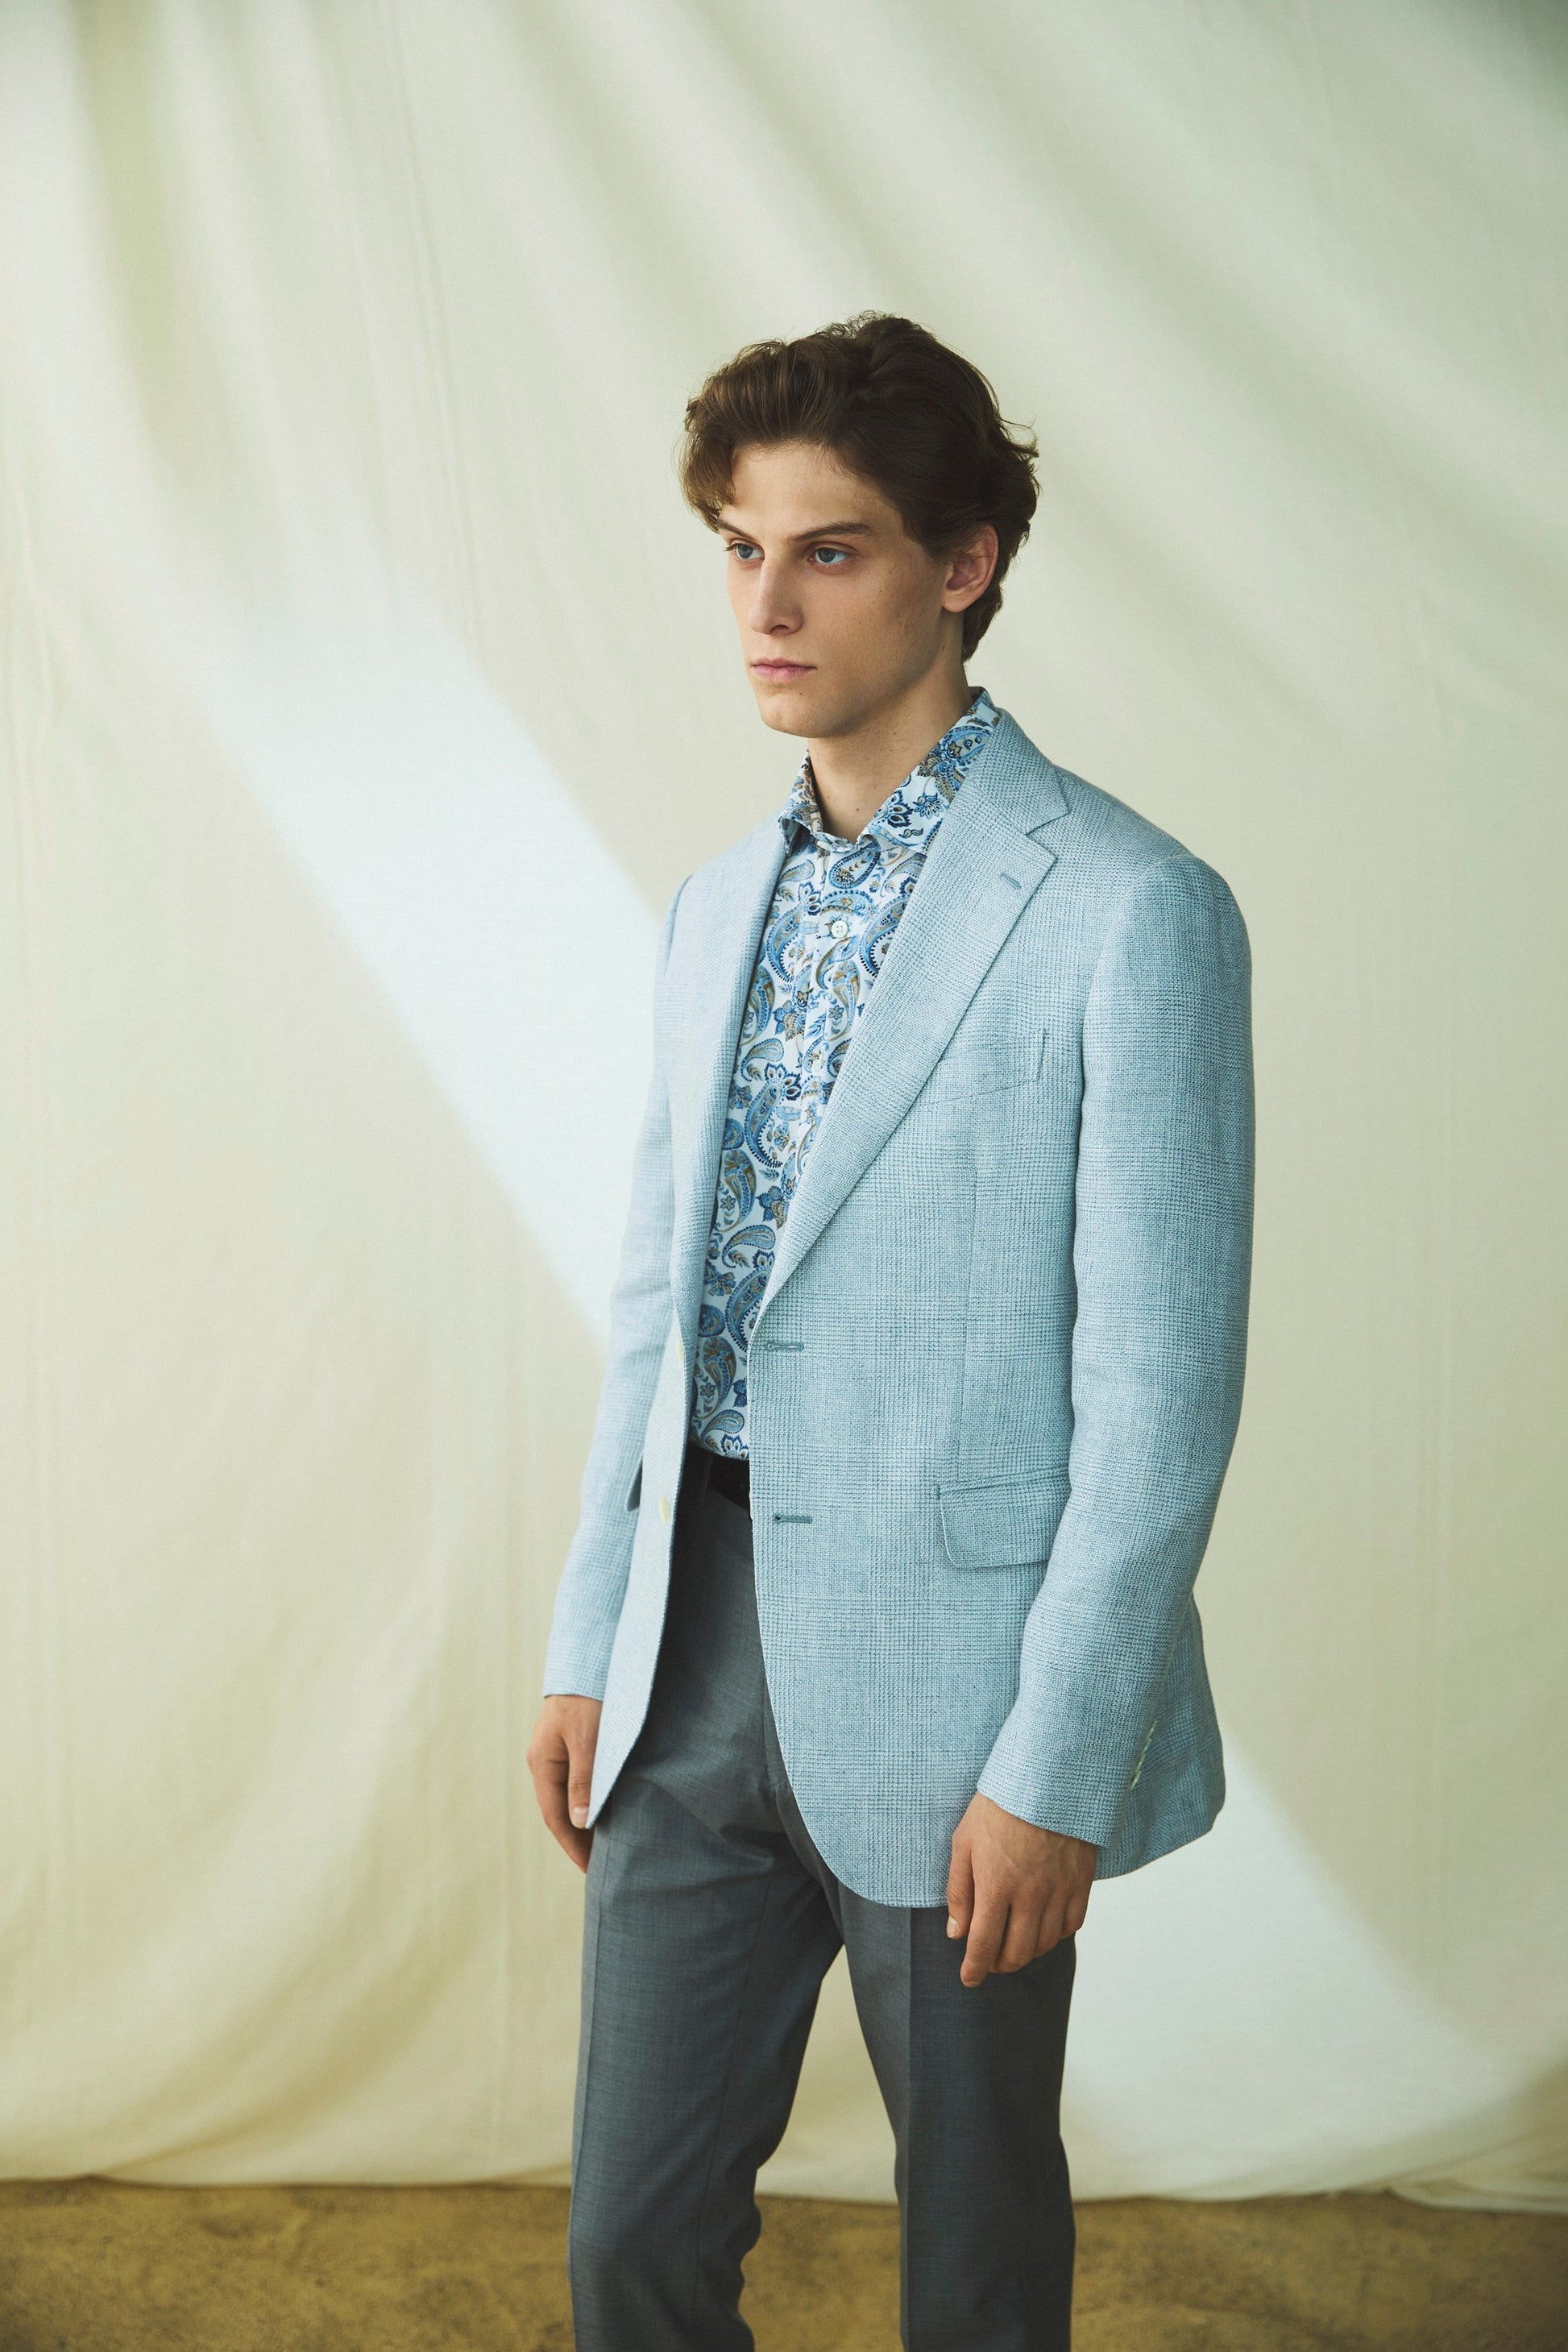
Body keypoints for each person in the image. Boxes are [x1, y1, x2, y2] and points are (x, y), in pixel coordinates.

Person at [527, 311, 1255, 2351]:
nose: (764, 604)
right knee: (627, 2241)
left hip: (968, 1691)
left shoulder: (1129, 907)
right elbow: (658, 1307)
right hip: (691, 1644)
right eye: (739, 549)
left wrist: (1058, 1761)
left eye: (828, 551)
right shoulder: (711, 906)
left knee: (975, 2268)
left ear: (964, 563)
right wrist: (591, 1633)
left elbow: (1161, 1392)